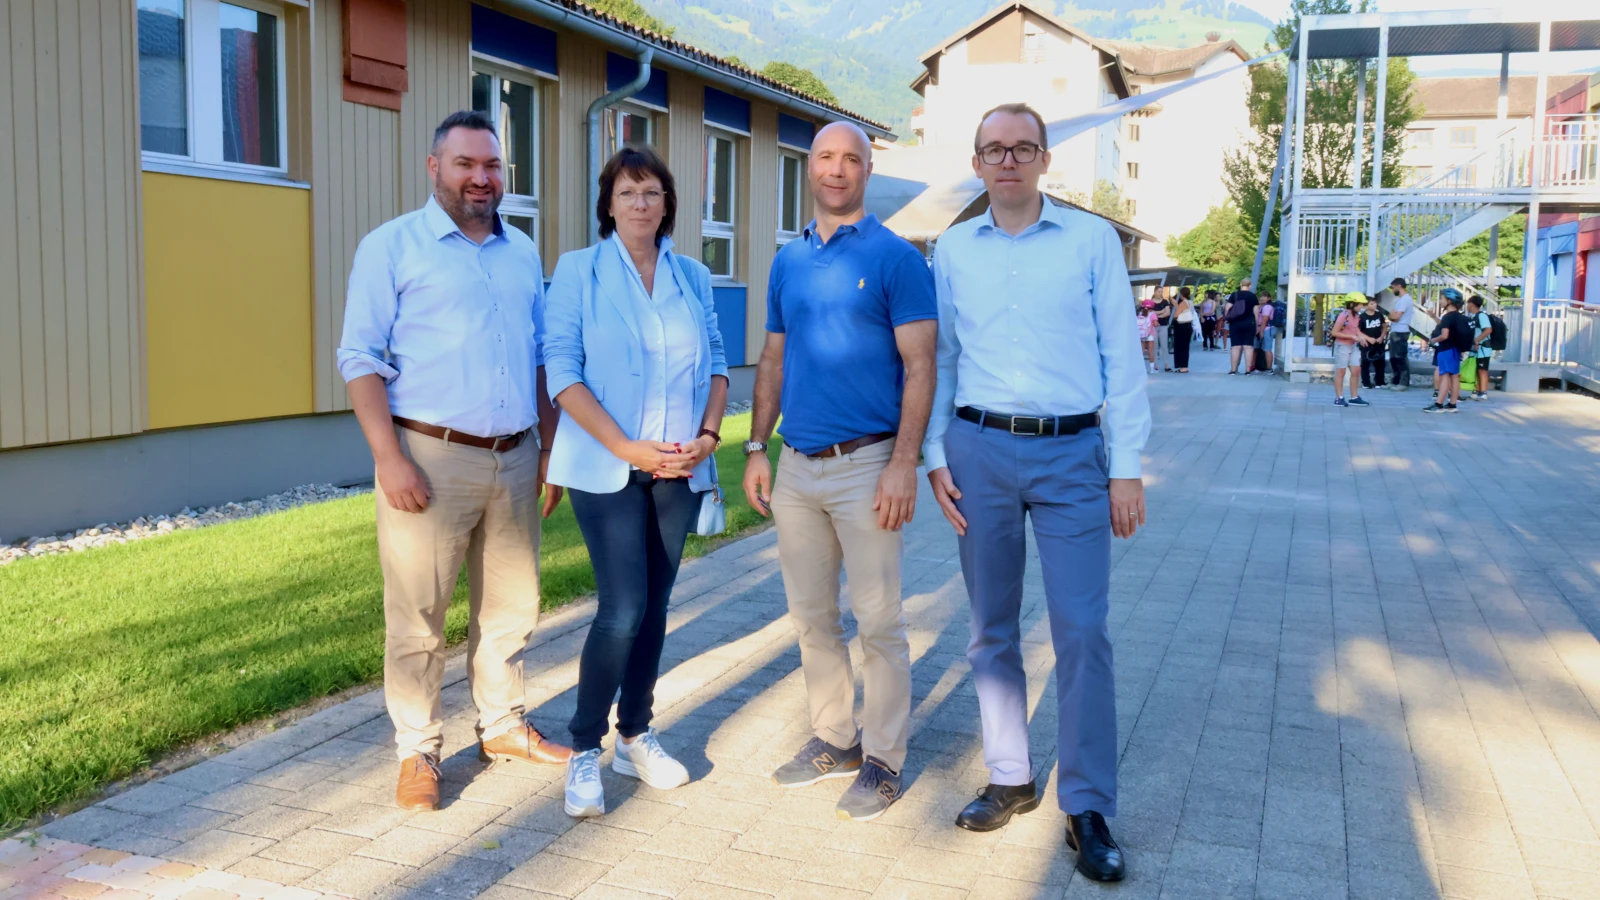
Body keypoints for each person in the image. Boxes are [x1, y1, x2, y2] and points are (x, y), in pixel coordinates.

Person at [923, 102, 1150, 884]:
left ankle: (1085, 806)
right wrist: (931, 454)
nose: (1009, 161)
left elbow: (1123, 358)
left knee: (1082, 630)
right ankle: (1011, 776)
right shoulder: (951, 249)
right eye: (995, 149)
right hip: (978, 449)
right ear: (978, 161)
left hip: (1073, 455)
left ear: (1046, 159)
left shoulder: (1090, 242)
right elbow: (942, 359)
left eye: (1023, 148)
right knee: (990, 628)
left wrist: (1127, 466)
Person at [337, 111, 572, 812]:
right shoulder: (391, 249)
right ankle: (418, 750)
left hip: (517, 456)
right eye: (467, 164)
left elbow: (539, 357)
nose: (481, 177)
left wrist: (551, 449)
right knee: (418, 617)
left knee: (512, 607)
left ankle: (501, 726)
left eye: (493, 166)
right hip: (428, 459)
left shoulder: (523, 252)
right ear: (434, 168)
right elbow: (360, 358)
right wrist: (389, 458)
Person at [741, 121, 938, 822]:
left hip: (867, 465)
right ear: (811, 166)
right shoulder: (787, 262)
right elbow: (771, 359)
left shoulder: (896, 259)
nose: (836, 168)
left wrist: (903, 464)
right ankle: (834, 739)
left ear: (866, 169)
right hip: (795, 466)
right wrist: (756, 446)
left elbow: (921, 364)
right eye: (825, 156)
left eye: (850, 158)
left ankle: (884, 759)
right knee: (811, 618)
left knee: (879, 620)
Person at [542, 147, 729, 817]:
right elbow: (561, 370)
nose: (641, 204)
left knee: (654, 607)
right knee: (622, 608)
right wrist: (627, 446)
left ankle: (636, 734)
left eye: (652, 192)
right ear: (609, 204)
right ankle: (585, 748)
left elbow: (718, 365)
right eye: (628, 193)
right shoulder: (577, 272)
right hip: (606, 466)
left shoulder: (693, 277)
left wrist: (708, 438)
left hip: (679, 468)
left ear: (667, 202)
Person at [1425, 290, 1472, 414]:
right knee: (1454, 377)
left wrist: (1433, 340)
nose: (1440, 301)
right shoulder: (1460, 317)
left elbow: (1444, 335)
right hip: (1456, 350)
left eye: (1441, 299)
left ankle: (1439, 404)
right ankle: (1452, 404)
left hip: (1445, 349)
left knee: (1444, 376)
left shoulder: (1447, 316)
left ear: (1449, 301)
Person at [1330, 294, 1370, 407]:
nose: (1362, 306)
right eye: (1360, 304)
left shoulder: (1357, 316)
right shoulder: (1344, 315)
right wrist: (1352, 337)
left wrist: (1363, 338)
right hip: (1342, 346)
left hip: (1353, 346)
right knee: (1341, 372)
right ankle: (1339, 398)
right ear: (1352, 304)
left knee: (1356, 370)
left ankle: (1354, 397)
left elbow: (1355, 329)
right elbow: (1334, 332)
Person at [1385, 277, 1413, 390]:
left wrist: (1390, 316)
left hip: (1401, 331)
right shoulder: (1400, 300)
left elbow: (1395, 316)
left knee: (1400, 357)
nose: (1392, 290)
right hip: (1396, 330)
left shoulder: (1405, 300)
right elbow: (1392, 314)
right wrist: (1391, 316)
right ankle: (1396, 380)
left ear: (1399, 286)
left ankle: (1404, 382)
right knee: (1393, 358)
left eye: (1393, 287)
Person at [1226, 278, 1258, 374]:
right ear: (1250, 285)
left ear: (1240, 284)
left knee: (1235, 347)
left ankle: (1233, 370)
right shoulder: (1253, 297)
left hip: (1235, 323)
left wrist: (1227, 319)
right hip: (1249, 323)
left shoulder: (1234, 295)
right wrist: (1256, 325)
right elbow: (1256, 313)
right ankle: (1248, 370)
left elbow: (1227, 308)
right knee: (1248, 347)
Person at [1358, 295, 1390, 389]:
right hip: (1366, 344)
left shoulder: (1379, 315)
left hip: (1378, 342)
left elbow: (1384, 326)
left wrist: (1381, 337)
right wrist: (1368, 338)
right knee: (1365, 362)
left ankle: (1379, 381)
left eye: (1375, 303)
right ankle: (1366, 382)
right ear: (1366, 306)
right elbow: (1358, 331)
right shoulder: (1362, 317)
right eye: (1372, 303)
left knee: (1380, 362)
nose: (1374, 305)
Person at [1467, 295, 1494, 400]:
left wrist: (1477, 340)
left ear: (1472, 304)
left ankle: (1483, 392)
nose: (1467, 306)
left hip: (1483, 348)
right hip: (1476, 348)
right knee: (1476, 369)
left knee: (1482, 370)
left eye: (1468, 304)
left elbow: (1488, 330)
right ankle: (1477, 391)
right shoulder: (1473, 317)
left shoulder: (1482, 316)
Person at [1171, 286, 1195, 372]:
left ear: (1181, 294)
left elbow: (1176, 315)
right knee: (1185, 347)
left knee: (1180, 346)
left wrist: (1175, 305)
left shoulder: (1182, 303)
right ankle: (1184, 366)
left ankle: (1183, 366)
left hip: (1181, 327)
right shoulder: (1190, 302)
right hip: (1188, 326)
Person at [1255, 290, 1278, 373]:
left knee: (1267, 349)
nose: (1262, 298)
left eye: (1264, 296)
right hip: (1262, 329)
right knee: (1258, 348)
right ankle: (1256, 366)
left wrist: (1261, 332)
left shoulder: (1267, 307)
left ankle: (1269, 368)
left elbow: (1265, 320)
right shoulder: (1261, 306)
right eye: (1261, 296)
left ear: (1269, 298)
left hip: (1267, 329)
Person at [1151, 289, 1173, 373]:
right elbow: (1150, 313)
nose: (1160, 293)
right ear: (1155, 292)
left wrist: (1156, 315)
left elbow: (1167, 313)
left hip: (1163, 325)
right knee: (1155, 345)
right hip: (1153, 326)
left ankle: (1166, 365)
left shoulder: (1165, 302)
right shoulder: (1151, 302)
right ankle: (1155, 364)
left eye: (1161, 292)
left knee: (1164, 345)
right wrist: (1161, 312)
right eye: (1159, 291)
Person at [1137, 300, 1158, 373]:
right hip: (1150, 335)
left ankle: (1139, 368)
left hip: (1142, 334)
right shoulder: (1152, 314)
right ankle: (1152, 369)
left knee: (1141, 352)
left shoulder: (1140, 313)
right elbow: (1155, 324)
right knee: (1150, 352)